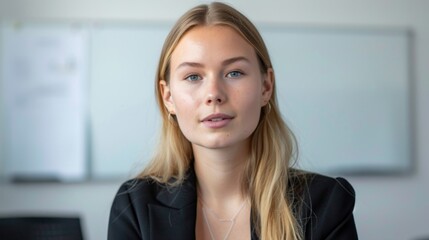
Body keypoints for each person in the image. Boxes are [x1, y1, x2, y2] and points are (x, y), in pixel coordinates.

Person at [108, 2, 358, 240]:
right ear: (168, 96)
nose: (214, 93)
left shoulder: (325, 203)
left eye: (234, 73)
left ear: (266, 86)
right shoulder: (134, 205)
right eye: (193, 77)